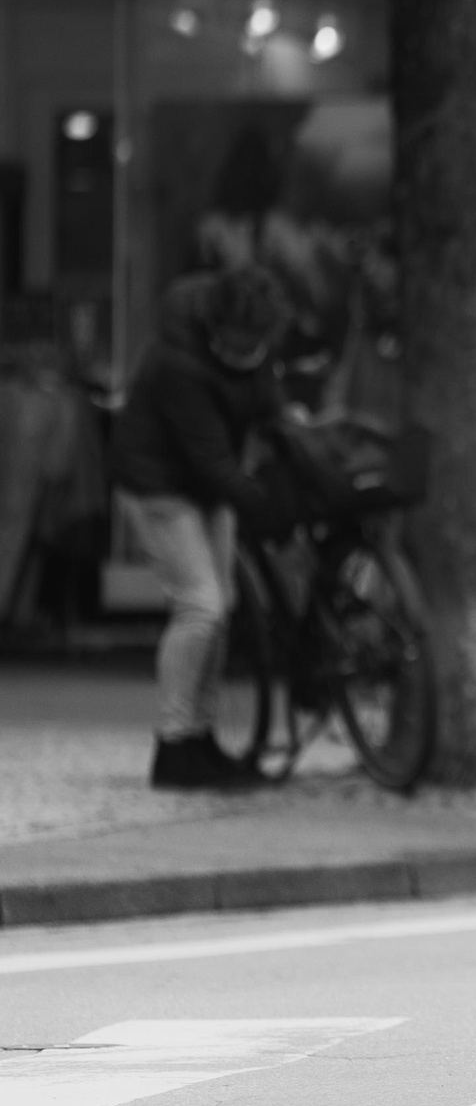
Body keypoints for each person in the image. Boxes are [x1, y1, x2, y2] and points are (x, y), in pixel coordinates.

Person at [108, 267, 288, 788]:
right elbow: (209, 457)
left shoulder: (253, 344)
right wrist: (260, 503)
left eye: (255, 344)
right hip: (157, 485)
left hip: (206, 486)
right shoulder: (177, 361)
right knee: (200, 606)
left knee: (222, 608)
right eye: (237, 344)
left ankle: (200, 738)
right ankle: (172, 746)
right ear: (216, 325)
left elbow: (267, 409)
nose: (246, 353)